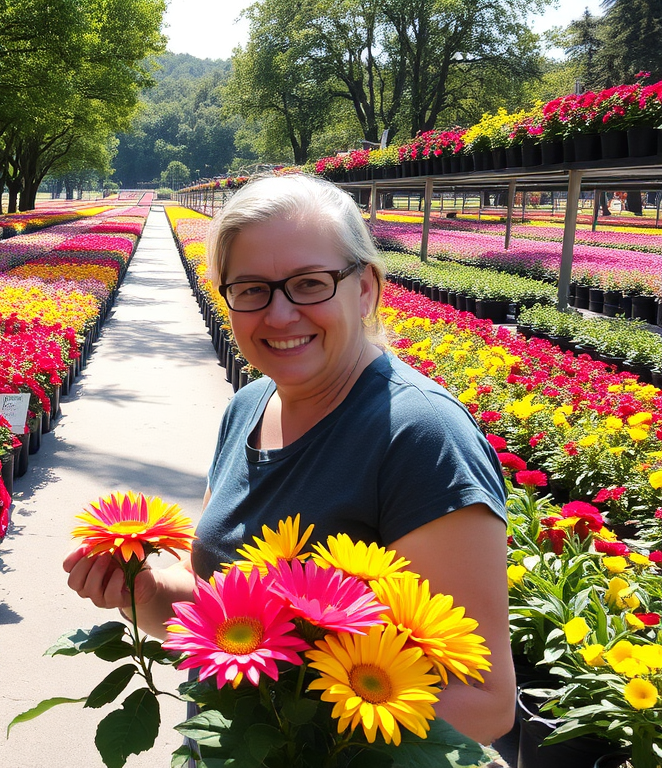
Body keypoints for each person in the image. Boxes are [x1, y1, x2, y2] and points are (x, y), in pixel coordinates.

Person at [63, 174, 515, 745]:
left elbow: (484, 701)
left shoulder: (420, 438)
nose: (279, 315)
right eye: (251, 289)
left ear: (366, 288)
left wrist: (292, 715)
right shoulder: (250, 406)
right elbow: (209, 599)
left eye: (309, 283)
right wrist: (147, 592)